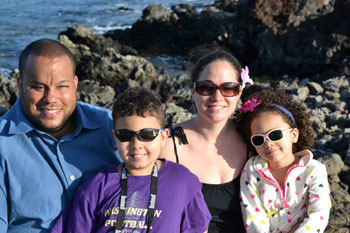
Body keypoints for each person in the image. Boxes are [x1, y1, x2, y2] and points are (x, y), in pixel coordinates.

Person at [50, 87, 211, 233]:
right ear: (115, 137)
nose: (136, 145)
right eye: (125, 135)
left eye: (147, 135)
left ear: (163, 137)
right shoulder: (95, 188)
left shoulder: (183, 182)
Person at [0, 39, 120, 233]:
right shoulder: (2, 145)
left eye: (62, 86)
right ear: (20, 85)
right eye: (38, 87)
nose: (50, 99)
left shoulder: (109, 125)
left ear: (75, 84)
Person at [161, 47, 253, 233]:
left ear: (240, 91)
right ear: (192, 90)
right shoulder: (168, 146)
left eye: (228, 88)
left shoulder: (254, 142)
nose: (217, 97)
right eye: (206, 87)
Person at [237, 89, 332, 233]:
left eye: (275, 135)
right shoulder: (252, 170)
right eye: (258, 139)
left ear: (293, 135)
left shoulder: (314, 170)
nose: (268, 144)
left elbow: (319, 214)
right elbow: (253, 218)